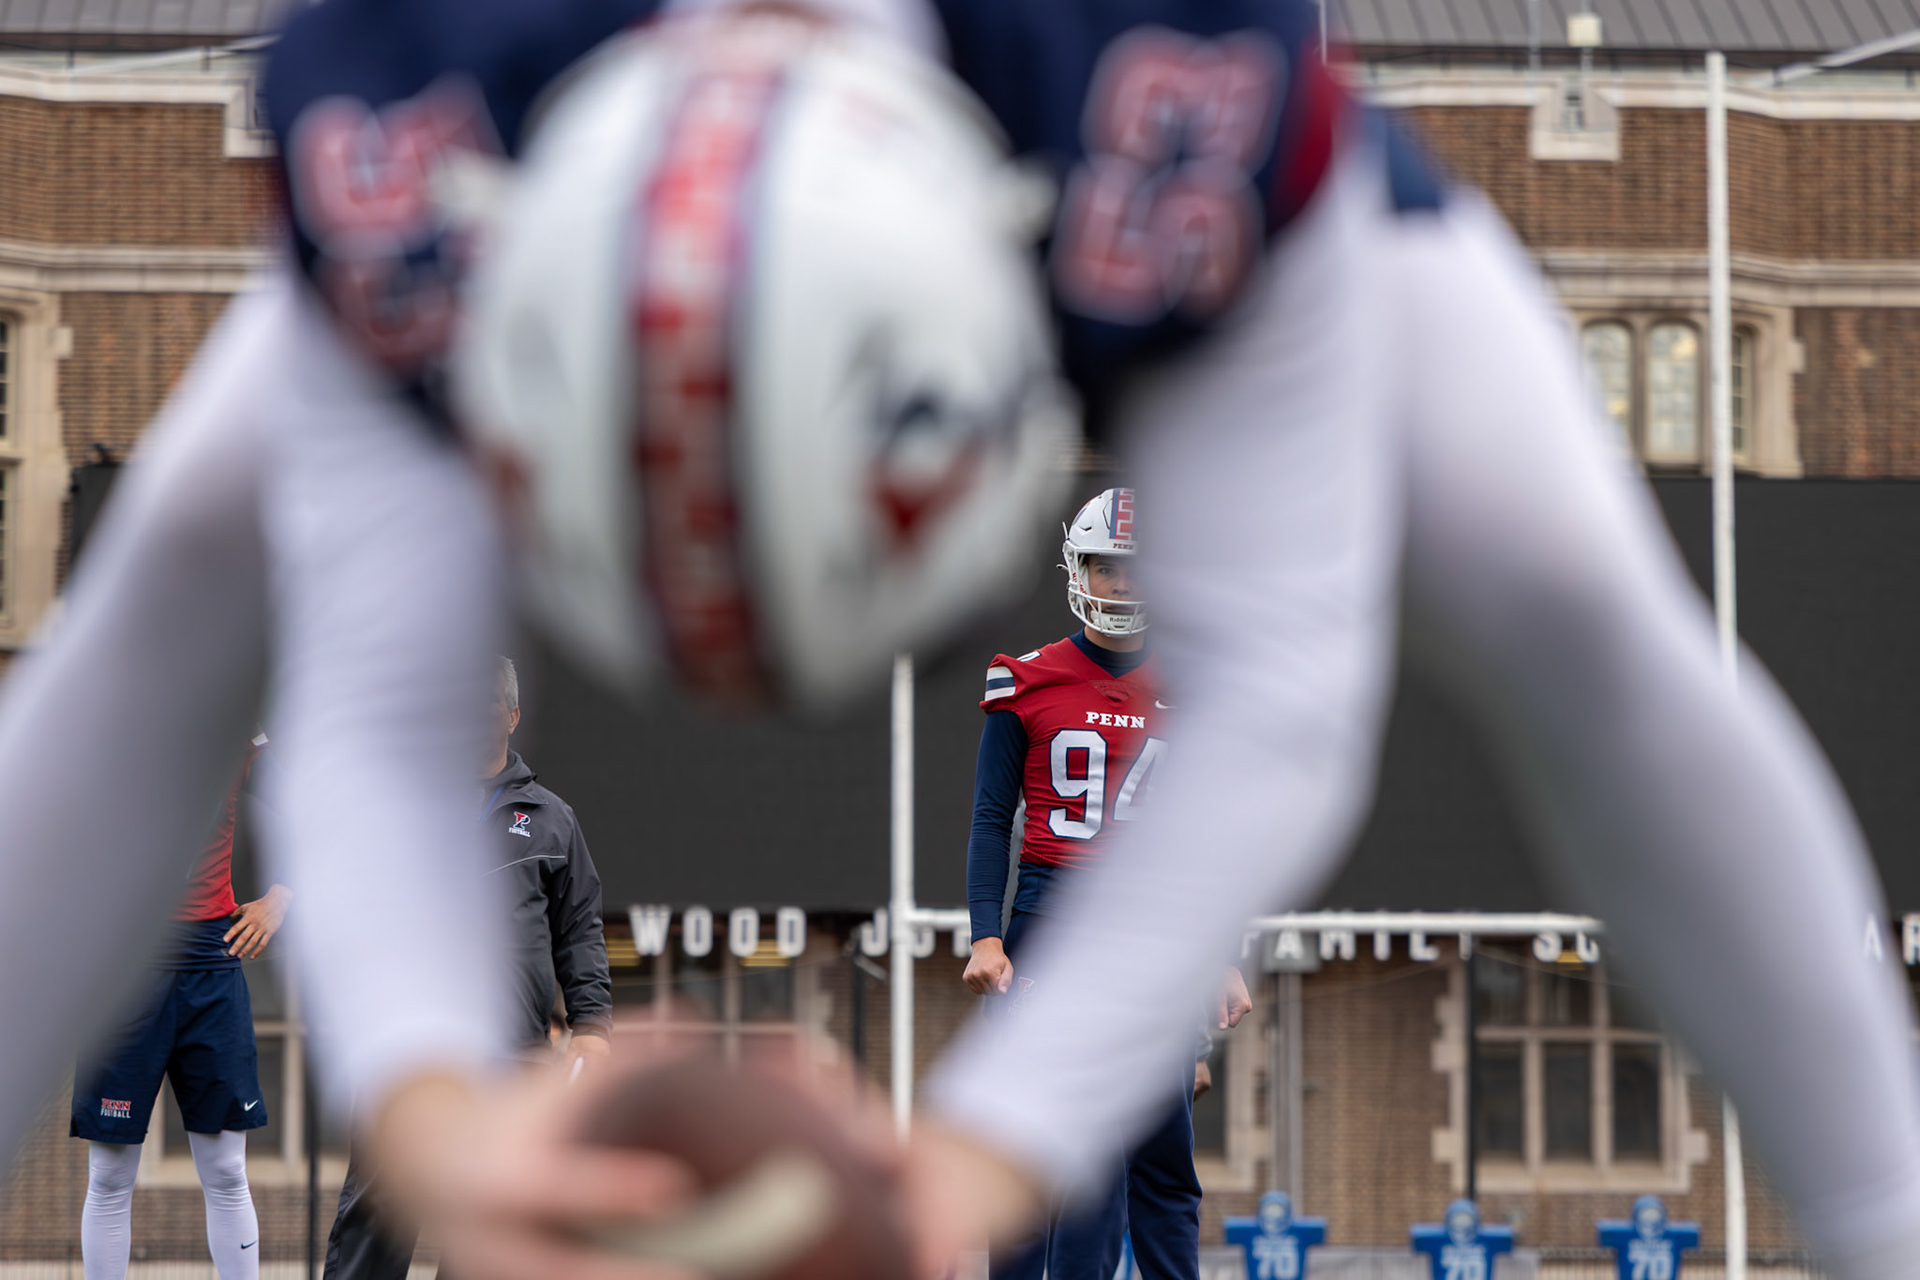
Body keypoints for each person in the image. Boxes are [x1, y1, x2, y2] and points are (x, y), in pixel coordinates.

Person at [0, 4, 1915, 1280]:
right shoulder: (421, 139)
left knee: (1583, 604)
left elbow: (1271, 706)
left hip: (1149, 188)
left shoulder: (1166, 119)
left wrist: (974, 1163)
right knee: (173, 574)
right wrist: (430, 1106)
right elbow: (370, 714)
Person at [961, 488, 1247, 1280]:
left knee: (1161, 1158)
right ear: (1076, 569)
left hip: (1148, 930)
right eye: (1104, 566)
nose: (1121, 584)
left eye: (1135, 568)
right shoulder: (1027, 678)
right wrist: (987, 933)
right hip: (1051, 916)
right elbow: (992, 820)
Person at [322, 657, 613, 1280]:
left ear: (511, 717)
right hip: (409, 1046)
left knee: (490, 1218)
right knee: (381, 1206)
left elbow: (580, 930)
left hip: (513, 1055)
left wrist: (591, 1025)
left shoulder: (552, 819)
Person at [71, 743, 290, 1280]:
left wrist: (281, 899)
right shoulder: (110, 720)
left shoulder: (238, 730)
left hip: (211, 967)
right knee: (109, 1175)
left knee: (225, 1171)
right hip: (125, 972)